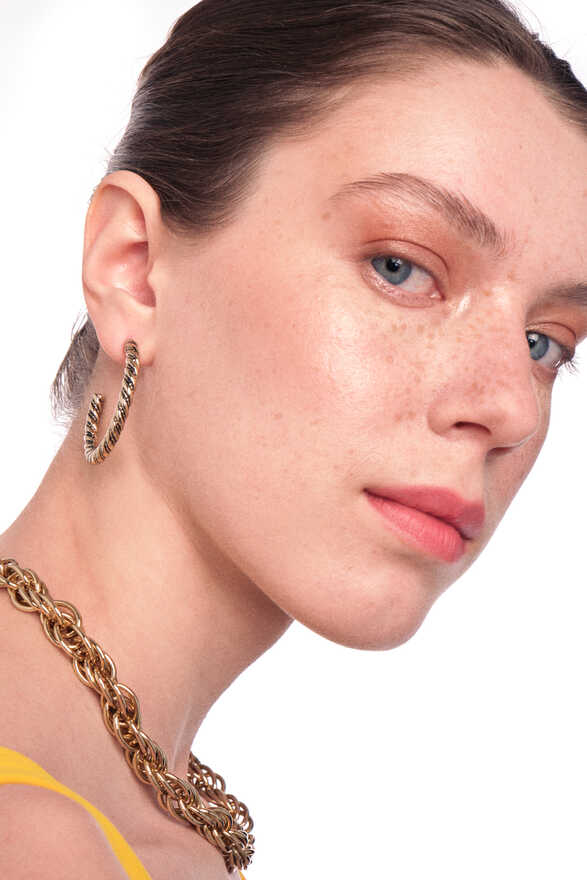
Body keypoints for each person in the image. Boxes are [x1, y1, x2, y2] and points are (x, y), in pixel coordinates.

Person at [1, 0, 586, 877]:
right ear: (135, 271)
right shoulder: (33, 841)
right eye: (400, 267)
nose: (511, 409)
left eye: (544, 343)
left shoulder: (147, 815)